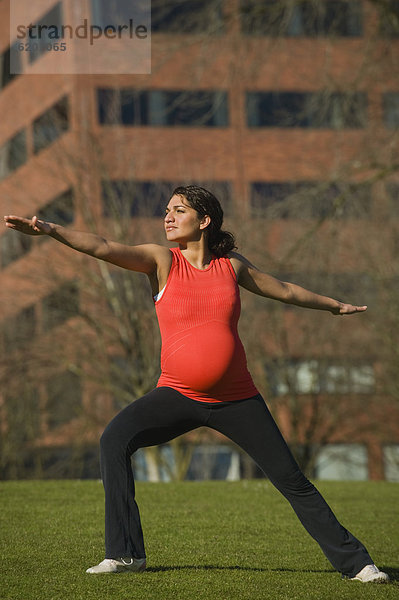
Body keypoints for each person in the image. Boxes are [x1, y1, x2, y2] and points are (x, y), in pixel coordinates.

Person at [4, 185, 389, 583]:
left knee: (292, 480)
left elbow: (286, 290)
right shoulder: (161, 261)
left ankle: (358, 564)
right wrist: (50, 229)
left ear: (204, 221)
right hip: (177, 394)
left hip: (237, 399)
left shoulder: (232, 266)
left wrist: (334, 305)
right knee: (113, 440)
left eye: (178, 210)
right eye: (166, 210)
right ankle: (125, 554)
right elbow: (103, 246)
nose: (167, 217)